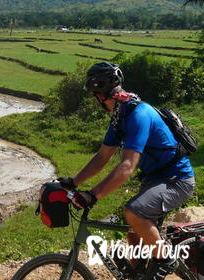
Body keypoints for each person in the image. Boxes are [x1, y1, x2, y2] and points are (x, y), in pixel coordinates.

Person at [59, 62, 195, 280]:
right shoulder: (120, 117)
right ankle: (139, 274)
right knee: (133, 235)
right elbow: (102, 157)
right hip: (155, 180)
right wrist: (73, 182)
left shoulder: (138, 114)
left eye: (95, 94)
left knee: (134, 211)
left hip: (176, 180)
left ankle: (166, 259)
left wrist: (93, 195)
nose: (95, 100)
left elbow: (127, 167)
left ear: (102, 94)